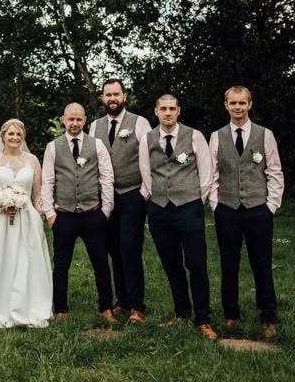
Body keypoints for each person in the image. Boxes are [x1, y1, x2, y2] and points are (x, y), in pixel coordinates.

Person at [139, 94, 217, 340]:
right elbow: (146, 173)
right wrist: (157, 197)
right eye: (163, 108)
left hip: (189, 208)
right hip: (160, 209)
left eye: (172, 108)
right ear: (156, 111)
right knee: (171, 263)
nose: (168, 112)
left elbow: (206, 174)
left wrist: (194, 200)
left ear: (179, 111)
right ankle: (182, 312)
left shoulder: (194, 136)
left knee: (196, 263)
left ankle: (203, 319)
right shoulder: (148, 138)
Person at [209, 85, 284, 339]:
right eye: (233, 103)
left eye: (242, 103)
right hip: (227, 209)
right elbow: (212, 174)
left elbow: (274, 172)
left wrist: (270, 205)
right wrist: (215, 204)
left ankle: (268, 316)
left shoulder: (265, 134)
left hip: (258, 210)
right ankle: (231, 315)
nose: (238, 107)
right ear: (226, 105)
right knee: (229, 264)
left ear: (250, 104)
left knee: (261, 263)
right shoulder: (217, 136)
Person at [0, 118, 53, 328]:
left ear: (23, 137)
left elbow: (37, 195)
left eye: (19, 134)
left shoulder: (32, 160)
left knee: (25, 260)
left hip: (26, 218)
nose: (15, 138)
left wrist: (39, 216)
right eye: (11, 134)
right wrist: (0, 202)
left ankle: (26, 305)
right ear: (3, 136)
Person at [41, 103, 118, 324]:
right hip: (64, 215)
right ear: (63, 120)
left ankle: (105, 307)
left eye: (78, 119)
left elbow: (107, 177)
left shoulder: (97, 144)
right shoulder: (53, 147)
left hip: (93, 214)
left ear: (84, 120)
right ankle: (61, 309)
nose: (74, 123)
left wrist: (105, 210)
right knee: (61, 264)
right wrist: (50, 214)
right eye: (71, 119)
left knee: (101, 262)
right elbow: (47, 182)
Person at [89, 78, 152, 324]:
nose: (112, 98)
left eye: (116, 94)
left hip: (132, 193)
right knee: (113, 248)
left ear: (124, 96)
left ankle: (138, 305)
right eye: (108, 95)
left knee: (129, 246)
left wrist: (145, 192)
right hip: (106, 197)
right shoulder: (95, 126)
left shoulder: (139, 122)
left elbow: (149, 157)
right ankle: (123, 301)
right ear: (102, 98)